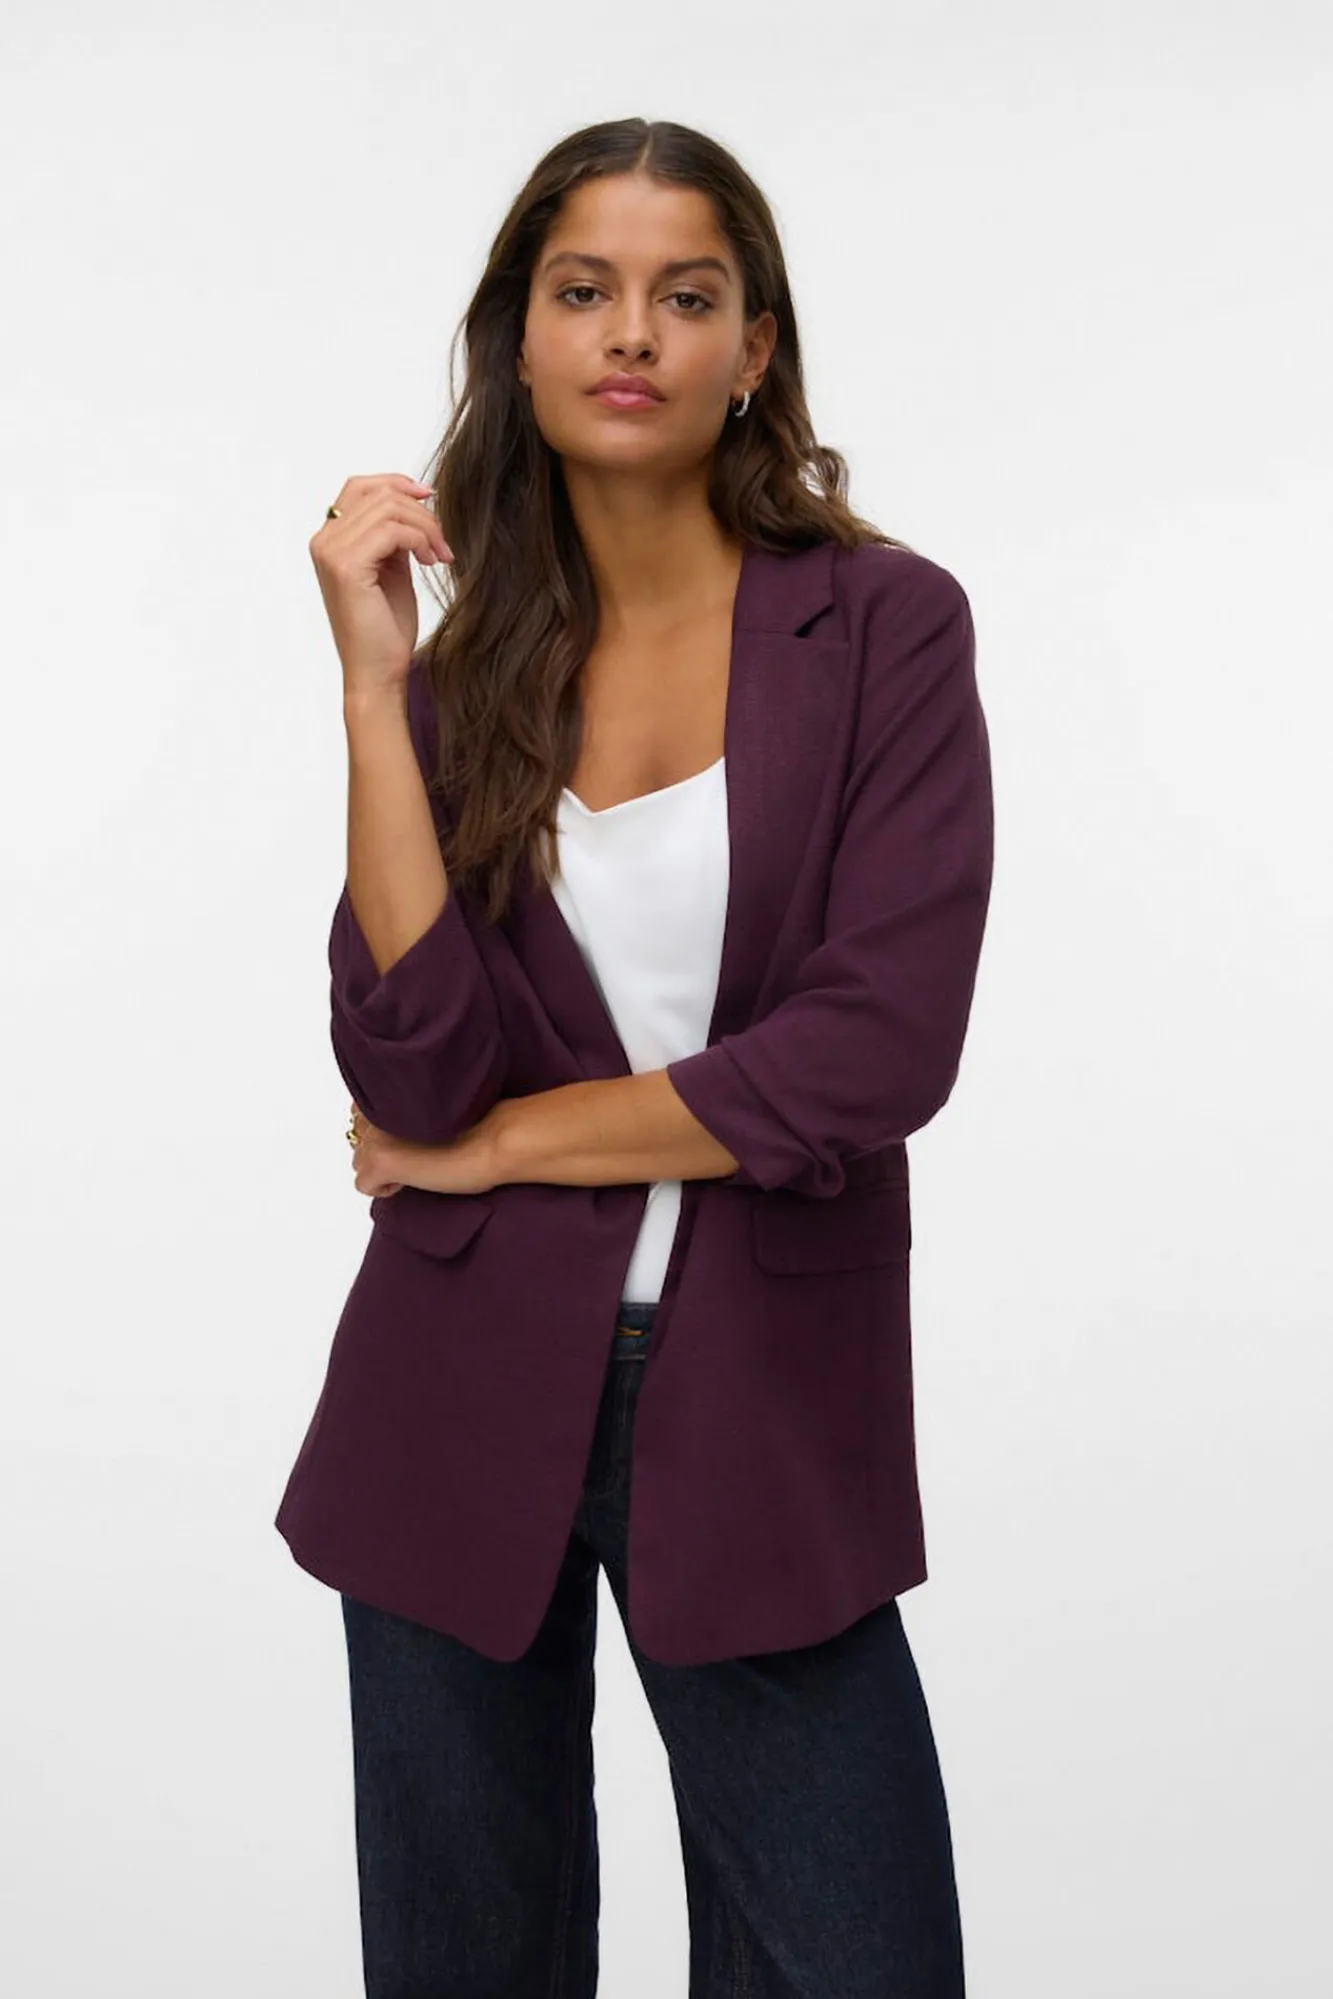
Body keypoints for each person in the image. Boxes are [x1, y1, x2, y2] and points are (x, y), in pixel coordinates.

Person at [277, 115, 993, 1997]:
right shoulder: (463, 674)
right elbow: (414, 1071)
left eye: (687, 297)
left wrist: (507, 1151)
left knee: (860, 1956)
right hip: (453, 1388)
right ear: (518, 337)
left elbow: (874, 1049)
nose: (631, 334)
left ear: (754, 346)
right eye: (583, 289)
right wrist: (373, 685)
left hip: (766, 1402)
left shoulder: (887, 628)